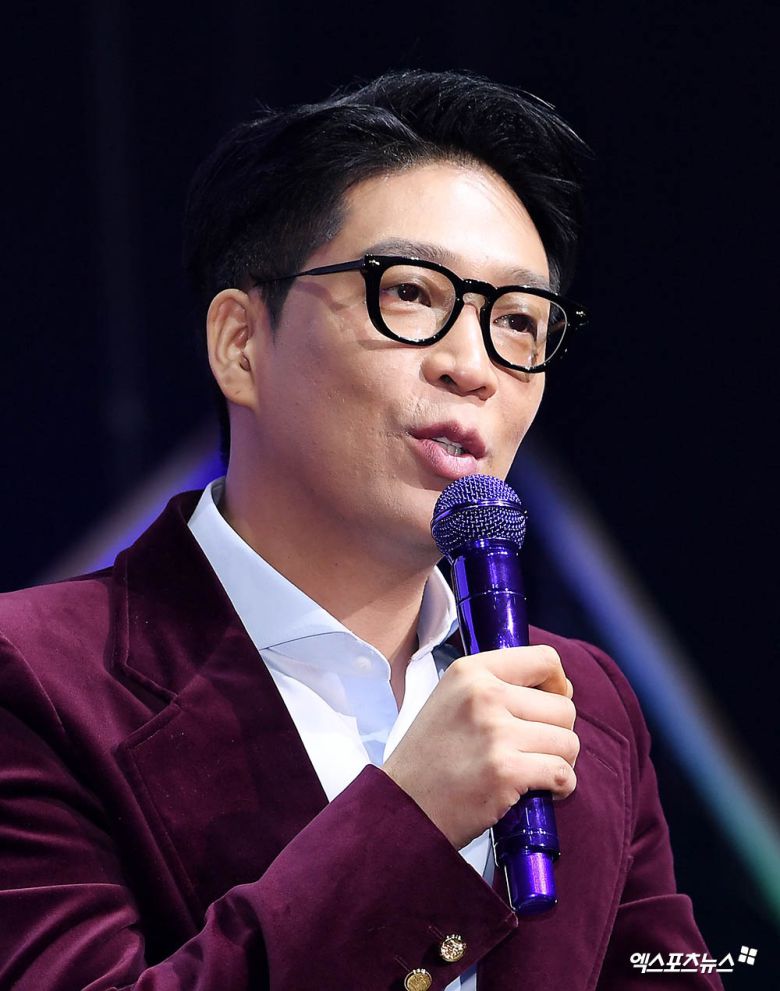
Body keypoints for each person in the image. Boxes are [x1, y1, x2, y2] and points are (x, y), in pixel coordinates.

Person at [0, 70, 721, 990]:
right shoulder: (34, 678)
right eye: (411, 292)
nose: (474, 365)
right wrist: (411, 822)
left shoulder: (584, 701)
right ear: (240, 343)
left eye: (518, 321)